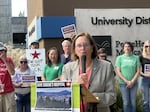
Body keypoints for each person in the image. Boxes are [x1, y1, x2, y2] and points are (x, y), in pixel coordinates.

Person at [61, 32, 116, 112]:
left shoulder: (106, 66)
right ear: (75, 50)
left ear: (92, 47)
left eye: (86, 45)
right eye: (79, 46)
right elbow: (63, 96)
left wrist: (90, 98)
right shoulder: (67, 68)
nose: (83, 48)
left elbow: (111, 96)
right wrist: (76, 85)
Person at [115, 41, 140, 112]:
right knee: (126, 103)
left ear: (131, 48)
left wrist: (132, 81)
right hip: (123, 84)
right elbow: (118, 71)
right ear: (123, 48)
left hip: (134, 84)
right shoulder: (119, 58)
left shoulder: (136, 58)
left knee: (133, 102)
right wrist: (127, 81)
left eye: (128, 46)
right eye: (125, 46)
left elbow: (138, 71)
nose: (127, 48)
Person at [0, 42, 16, 112]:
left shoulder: (8, 60)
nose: (1, 53)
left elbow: (12, 73)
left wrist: (5, 61)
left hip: (8, 91)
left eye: (3, 51)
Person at [139, 40, 150, 112]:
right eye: (146, 46)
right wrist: (146, 74)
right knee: (145, 101)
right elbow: (138, 71)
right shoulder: (141, 57)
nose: (148, 48)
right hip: (144, 80)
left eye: (149, 46)